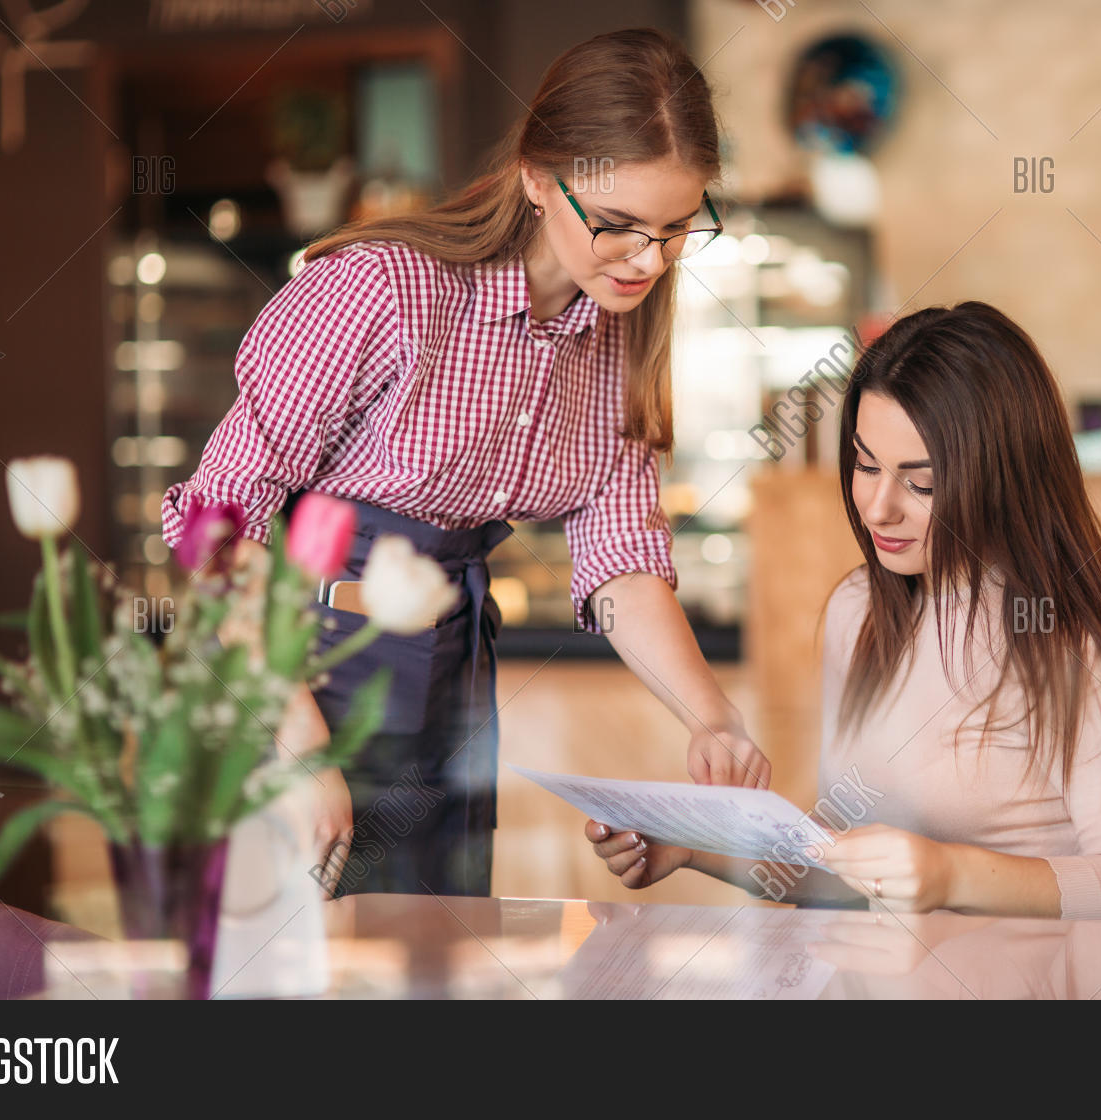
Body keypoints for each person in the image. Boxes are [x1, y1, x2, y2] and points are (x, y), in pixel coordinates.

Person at [161, 28, 772, 899]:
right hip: (294, 662)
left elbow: (624, 558)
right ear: (534, 175)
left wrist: (713, 718)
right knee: (292, 962)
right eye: (620, 226)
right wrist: (293, 735)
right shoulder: (383, 291)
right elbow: (215, 516)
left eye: (678, 230)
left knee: (431, 959)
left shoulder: (619, 339)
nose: (650, 260)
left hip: (448, 672)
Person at [585, 302, 1101, 921]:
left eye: (920, 483)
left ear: (1003, 474)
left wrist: (952, 875)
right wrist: (694, 845)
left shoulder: (1069, 639)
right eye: (865, 466)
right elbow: (842, 869)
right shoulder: (858, 611)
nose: (877, 508)